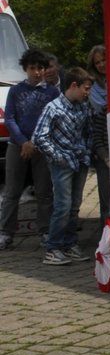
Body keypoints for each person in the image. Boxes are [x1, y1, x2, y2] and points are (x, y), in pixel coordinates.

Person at [33, 67, 93, 266]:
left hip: (80, 162)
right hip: (62, 165)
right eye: (85, 88)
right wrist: (58, 156)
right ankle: (53, 248)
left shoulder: (83, 106)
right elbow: (40, 137)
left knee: (74, 206)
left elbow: (88, 132)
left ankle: (69, 244)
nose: (88, 92)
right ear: (73, 85)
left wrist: (86, 151)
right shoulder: (53, 107)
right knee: (62, 206)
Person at [0, 49, 58, 250]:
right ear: (26, 69)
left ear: (45, 70)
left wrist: (34, 141)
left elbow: (52, 119)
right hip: (17, 146)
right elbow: (9, 118)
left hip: (42, 147)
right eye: (32, 68)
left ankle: (46, 231)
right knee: (11, 192)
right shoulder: (16, 91)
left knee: (44, 192)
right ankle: (6, 233)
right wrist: (23, 141)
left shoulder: (52, 92)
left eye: (40, 68)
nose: (36, 72)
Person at [88, 44, 110, 223]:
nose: (102, 64)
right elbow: (103, 108)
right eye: (98, 62)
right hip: (102, 140)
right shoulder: (92, 87)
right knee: (106, 193)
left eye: (104, 60)